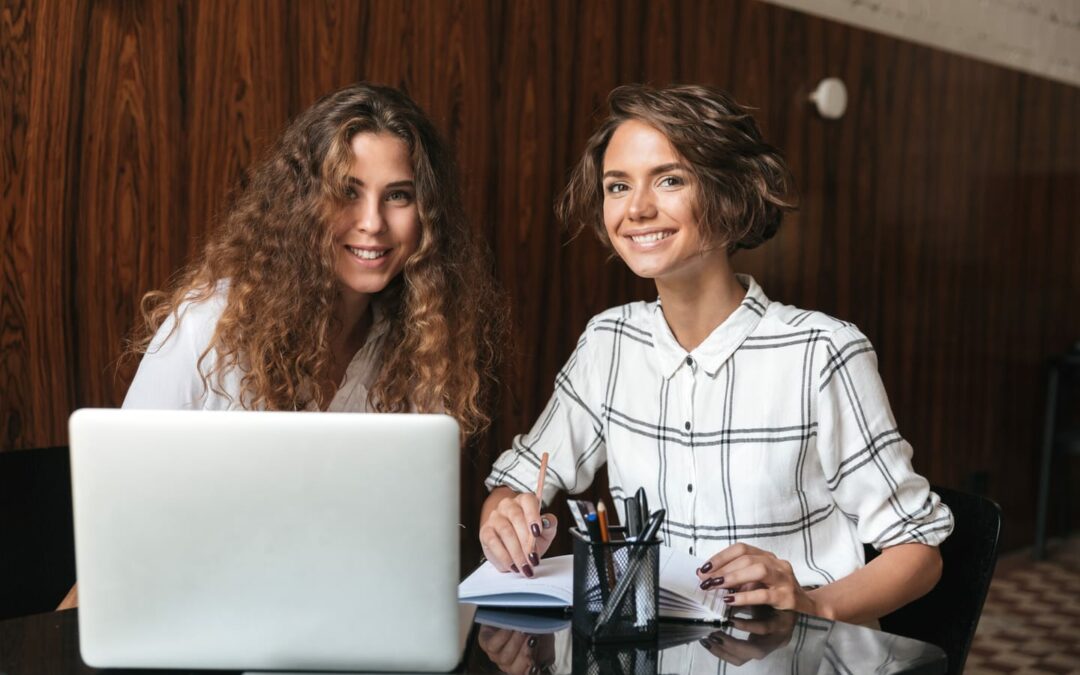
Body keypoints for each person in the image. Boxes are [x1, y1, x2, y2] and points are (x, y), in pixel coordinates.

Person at [478, 84, 952, 625]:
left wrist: (812, 604)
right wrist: (507, 516)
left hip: (798, 657)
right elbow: (519, 482)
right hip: (663, 651)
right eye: (617, 186)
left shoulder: (822, 352)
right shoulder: (607, 343)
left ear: (731, 195)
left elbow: (919, 553)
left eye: (670, 180)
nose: (636, 208)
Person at [58, 82, 504, 610]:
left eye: (398, 195)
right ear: (303, 203)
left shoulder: (426, 348)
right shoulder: (209, 326)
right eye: (347, 190)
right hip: (180, 610)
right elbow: (115, 528)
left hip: (334, 624)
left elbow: (402, 553)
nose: (372, 222)